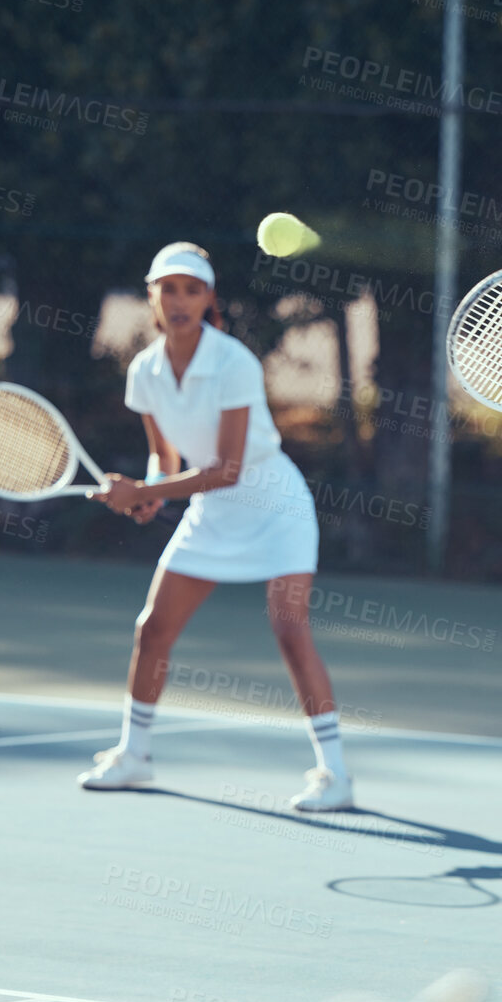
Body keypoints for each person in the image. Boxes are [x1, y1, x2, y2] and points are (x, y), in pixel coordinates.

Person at [76, 242, 355, 813]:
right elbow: (167, 458)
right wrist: (150, 495)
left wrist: (143, 492)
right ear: (152, 294)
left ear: (208, 299)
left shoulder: (234, 363)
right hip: (212, 515)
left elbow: (227, 469)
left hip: (276, 507)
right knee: (152, 628)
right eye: (168, 288)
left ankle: (336, 774)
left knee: (289, 630)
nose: (179, 300)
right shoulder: (146, 371)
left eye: (192, 289)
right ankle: (135, 757)